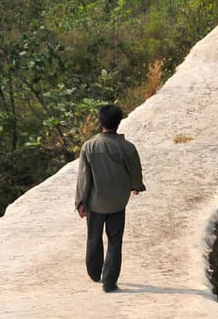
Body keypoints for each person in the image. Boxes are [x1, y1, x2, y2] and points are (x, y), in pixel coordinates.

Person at [74, 103, 145, 293]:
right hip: (118, 203)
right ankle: (109, 281)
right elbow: (135, 172)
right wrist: (136, 186)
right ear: (119, 122)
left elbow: (83, 177)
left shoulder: (89, 146)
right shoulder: (127, 147)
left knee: (94, 237)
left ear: (100, 121)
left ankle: (94, 273)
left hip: (95, 203)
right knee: (115, 240)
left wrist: (80, 201)